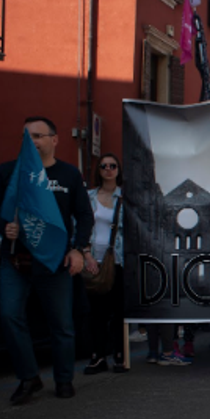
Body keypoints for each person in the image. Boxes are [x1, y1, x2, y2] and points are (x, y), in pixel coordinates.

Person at [0, 117, 94, 404]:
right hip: (15, 261)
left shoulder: (69, 175)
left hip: (55, 262)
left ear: (54, 140)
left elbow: (84, 216)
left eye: (38, 135)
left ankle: (63, 379)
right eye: (27, 136)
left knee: (61, 325)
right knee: (10, 318)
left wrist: (78, 249)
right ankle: (28, 377)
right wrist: (3, 226)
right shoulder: (8, 171)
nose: (32, 141)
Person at [82, 153, 127, 375]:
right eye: (104, 166)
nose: (108, 169)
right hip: (93, 259)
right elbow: (79, 224)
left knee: (119, 309)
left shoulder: (125, 198)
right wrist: (86, 255)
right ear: (98, 170)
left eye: (113, 165)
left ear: (118, 170)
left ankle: (120, 354)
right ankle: (98, 356)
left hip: (118, 258)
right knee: (96, 312)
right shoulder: (89, 196)